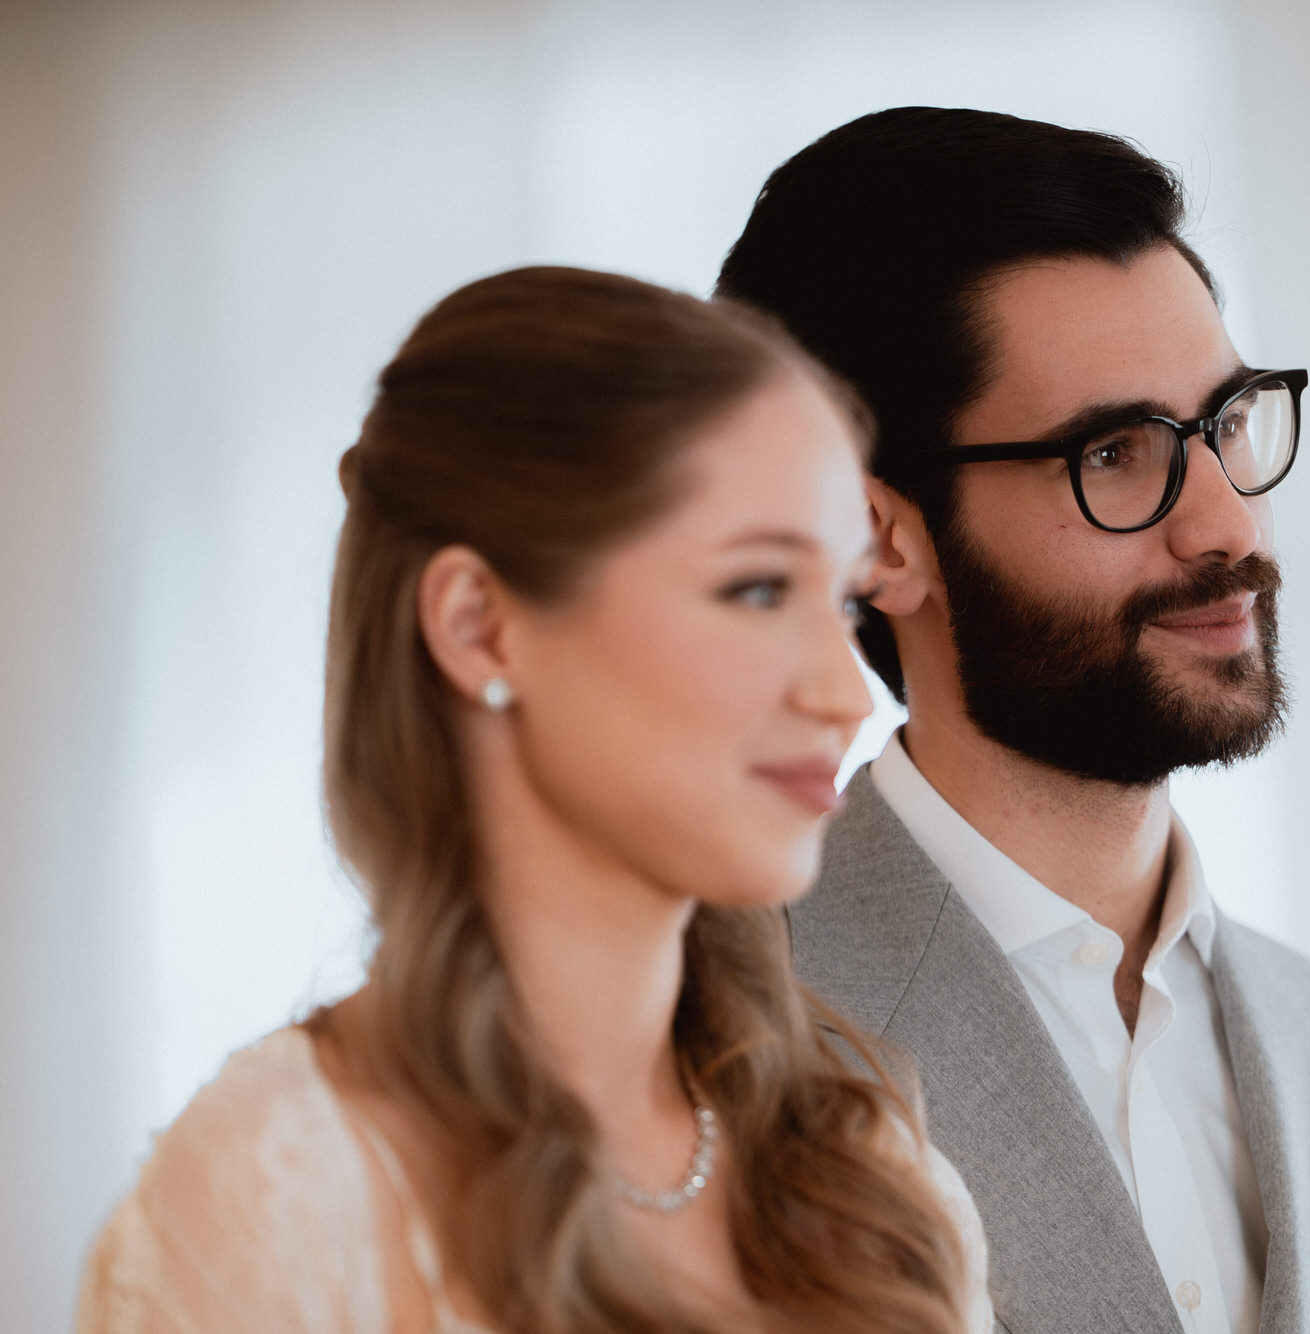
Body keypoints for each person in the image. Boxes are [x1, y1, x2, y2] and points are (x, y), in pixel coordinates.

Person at [77, 266, 993, 1334]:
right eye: (755, 588)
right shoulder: (274, 1197)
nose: (846, 692)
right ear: (478, 625)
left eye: (838, 601)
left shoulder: (880, 1182)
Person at [717, 108, 1310, 1334]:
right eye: (1118, 452)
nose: (1227, 523)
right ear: (880, 538)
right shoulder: (700, 1039)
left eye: (1227, 424)